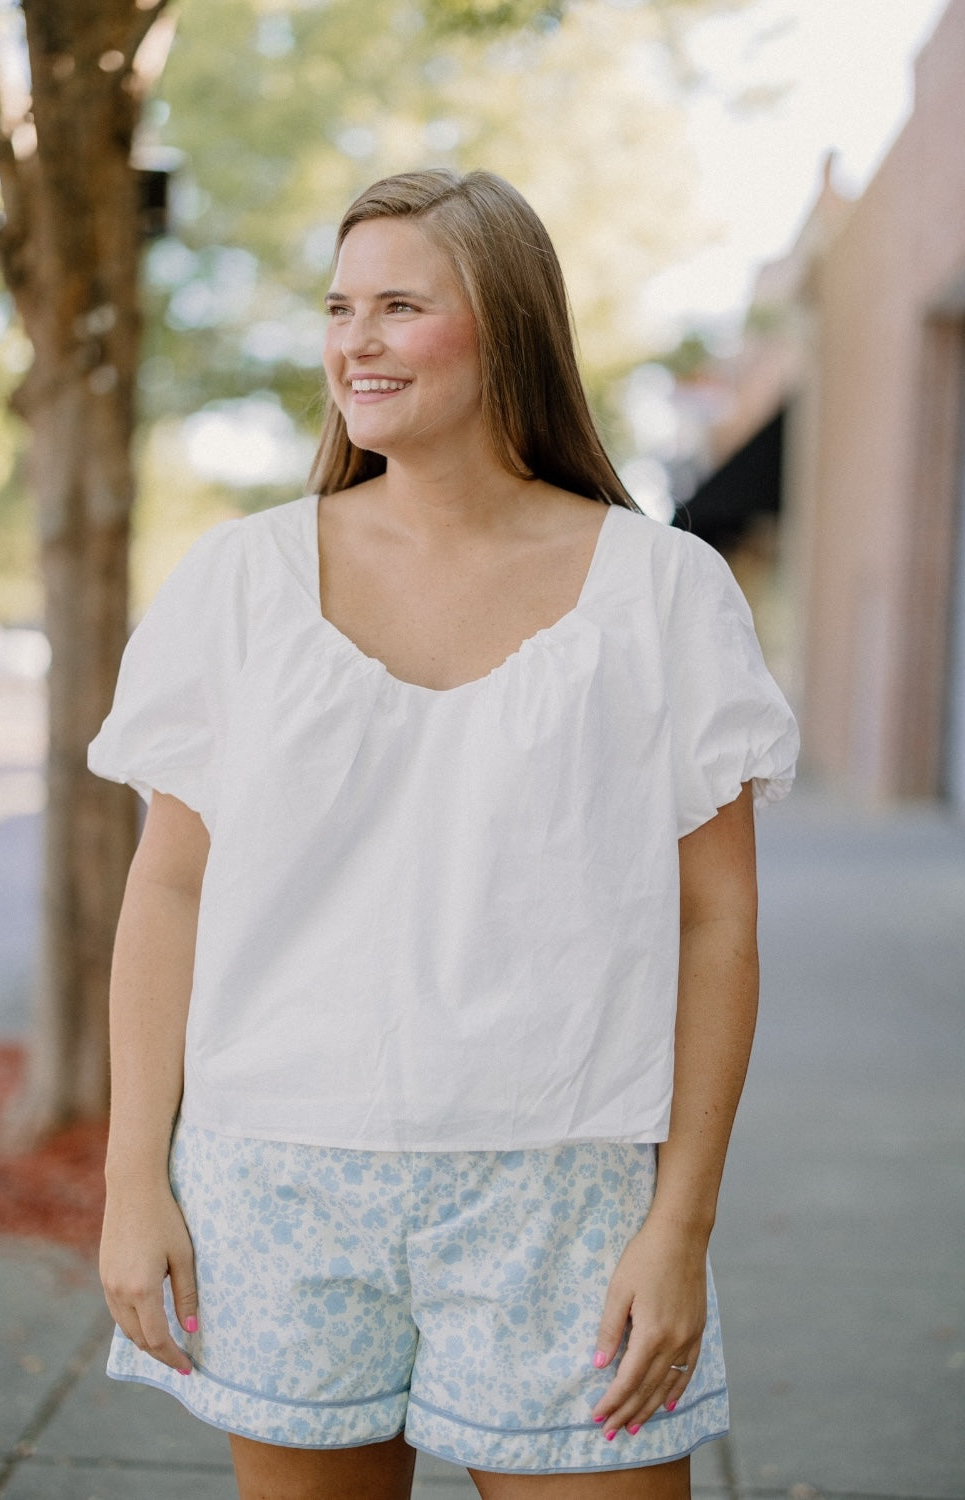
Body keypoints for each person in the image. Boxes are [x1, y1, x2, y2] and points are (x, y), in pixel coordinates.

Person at [89, 168, 799, 1500]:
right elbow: (172, 888)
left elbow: (720, 921)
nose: (353, 341)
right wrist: (136, 1182)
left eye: (399, 306)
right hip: (276, 1184)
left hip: (563, 1197)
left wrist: (679, 1223)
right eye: (338, 306)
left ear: (506, 328)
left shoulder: (664, 595)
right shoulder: (239, 583)